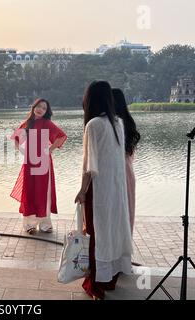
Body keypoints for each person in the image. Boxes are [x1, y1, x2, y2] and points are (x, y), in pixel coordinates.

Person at [75, 81, 132, 300]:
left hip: (99, 191)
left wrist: (82, 190)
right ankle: (110, 279)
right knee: (113, 231)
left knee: (96, 234)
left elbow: (90, 165)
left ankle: (95, 285)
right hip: (116, 190)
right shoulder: (117, 122)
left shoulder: (93, 125)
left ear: (89, 100)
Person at [11, 98, 67, 234]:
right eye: (38, 106)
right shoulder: (27, 123)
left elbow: (61, 136)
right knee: (29, 191)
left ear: (46, 111)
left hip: (44, 162)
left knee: (43, 191)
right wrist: (23, 151)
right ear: (33, 107)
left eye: (44, 108)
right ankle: (29, 225)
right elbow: (16, 139)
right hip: (30, 162)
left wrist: (50, 149)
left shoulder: (46, 123)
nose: (40, 109)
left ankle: (45, 224)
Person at [113, 88, 141, 234]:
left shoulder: (111, 125)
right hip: (128, 170)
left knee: (114, 212)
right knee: (128, 210)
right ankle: (125, 247)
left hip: (116, 171)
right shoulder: (129, 122)